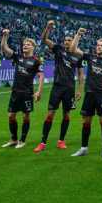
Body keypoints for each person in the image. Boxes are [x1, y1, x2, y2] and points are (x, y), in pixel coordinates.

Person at [34, 21, 84, 153]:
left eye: (69, 40)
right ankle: (43, 142)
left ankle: (61, 140)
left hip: (69, 89)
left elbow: (80, 74)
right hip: (57, 87)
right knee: (50, 114)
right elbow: (44, 39)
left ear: (74, 41)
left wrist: (79, 90)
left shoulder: (77, 56)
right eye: (65, 40)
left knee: (66, 115)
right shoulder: (58, 49)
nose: (67, 42)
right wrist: (48, 27)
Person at [69, 28, 102, 158]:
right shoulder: (90, 57)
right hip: (89, 94)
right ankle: (84, 148)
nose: (99, 47)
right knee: (86, 122)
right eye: (98, 45)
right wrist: (78, 35)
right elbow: (73, 49)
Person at [0, 29, 44, 149]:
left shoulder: (36, 61)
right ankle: (13, 139)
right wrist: (5, 36)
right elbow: (4, 48)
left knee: (25, 116)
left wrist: (39, 91)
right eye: (24, 44)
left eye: (28, 44)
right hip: (15, 92)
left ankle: (22, 140)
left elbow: (41, 76)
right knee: (11, 116)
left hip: (27, 93)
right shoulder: (17, 57)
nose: (25, 46)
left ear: (33, 47)